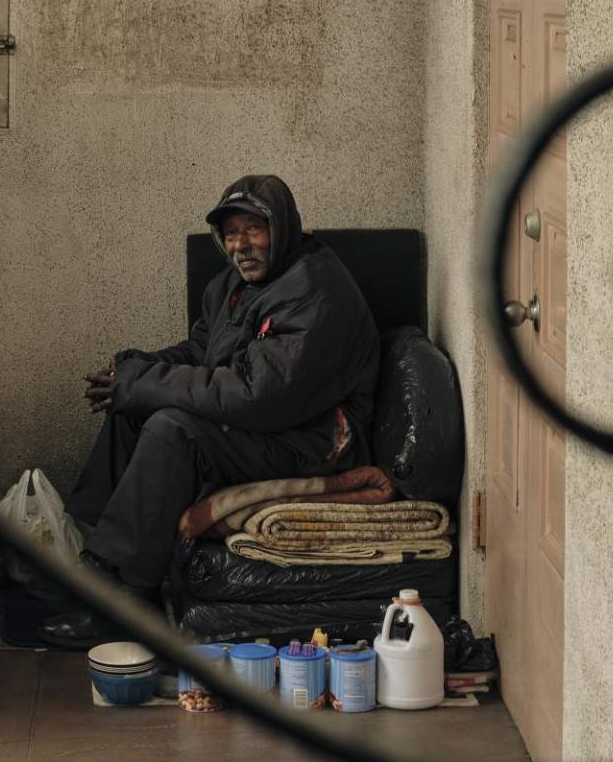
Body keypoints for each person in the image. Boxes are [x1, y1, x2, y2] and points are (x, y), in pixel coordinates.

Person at [42, 174, 380, 648]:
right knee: (132, 409)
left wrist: (146, 384)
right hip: (266, 424)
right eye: (231, 233)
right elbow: (203, 350)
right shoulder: (231, 286)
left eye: (253, 230)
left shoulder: (314, 292)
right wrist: (140, 368)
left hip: (313, 439)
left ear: (282, 229)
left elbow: (255, 394)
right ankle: (95, 566)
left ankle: (130, 599)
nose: (241, 245)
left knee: (173, 428)